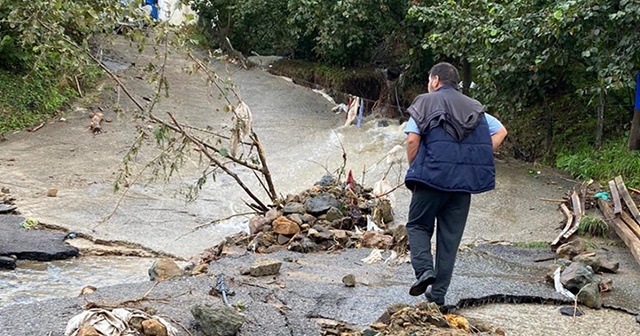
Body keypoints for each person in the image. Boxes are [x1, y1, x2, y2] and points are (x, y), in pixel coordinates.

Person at [403, 62, 507, 305]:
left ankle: (424, 272)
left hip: (431, 179)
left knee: (418, 226)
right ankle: (437, 295)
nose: (429, 85)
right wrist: (475, 156)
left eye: (430, 80)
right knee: (449, 239)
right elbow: (501, 131)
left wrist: (415, 168)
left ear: (436, 80)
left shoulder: (425, 102)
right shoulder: (475, 108)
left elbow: (412, 140)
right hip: (463, 185)